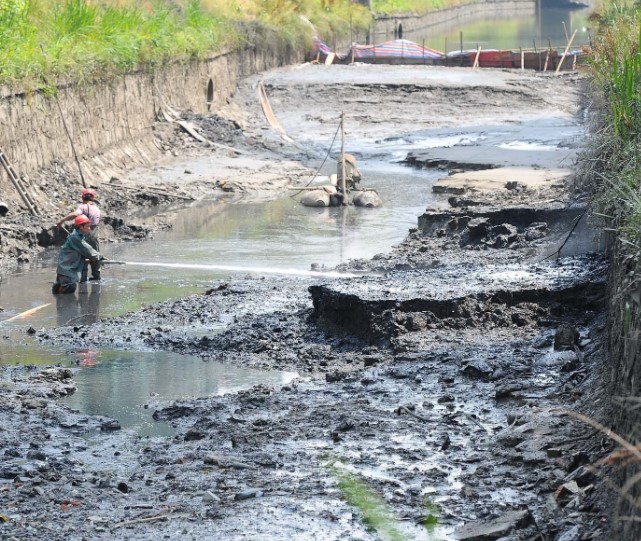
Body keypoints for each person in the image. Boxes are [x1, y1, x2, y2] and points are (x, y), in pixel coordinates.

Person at [57, 188, 102, 281]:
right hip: (94, 234)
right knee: (95, 254)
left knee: (83, 254)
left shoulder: (83, 207)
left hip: (84, 232)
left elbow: (75, 214)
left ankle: (83, 277)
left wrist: (62, 220)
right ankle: (97, 277)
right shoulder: (97, 209)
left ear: (83, 197)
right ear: (93, 198)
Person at [52, 215, 103, 295]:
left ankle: (59, 300)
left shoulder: (79, 236)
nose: (89, 228)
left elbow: (86, 248)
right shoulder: (75, 237)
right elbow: (87, 250)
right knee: (69, 289)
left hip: (65, 268)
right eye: (87, 226)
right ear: (80, 227)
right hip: (67, 269)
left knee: (61, 290)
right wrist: (99, 257)